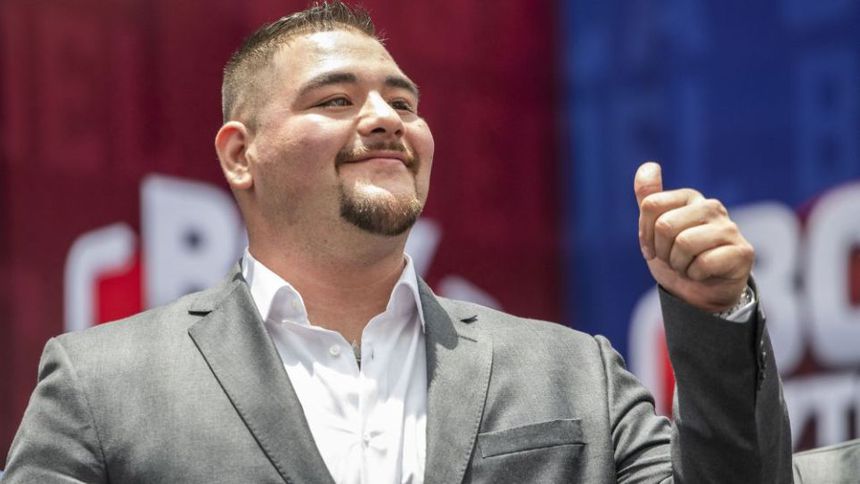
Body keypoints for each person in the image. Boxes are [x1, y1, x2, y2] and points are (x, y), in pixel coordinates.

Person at [3, 2, 793, 482]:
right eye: (335, 99)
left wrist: (714, 315)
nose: (386, 119)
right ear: (241, 155)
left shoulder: (573, 374)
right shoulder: (103, 384)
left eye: (403, 103)